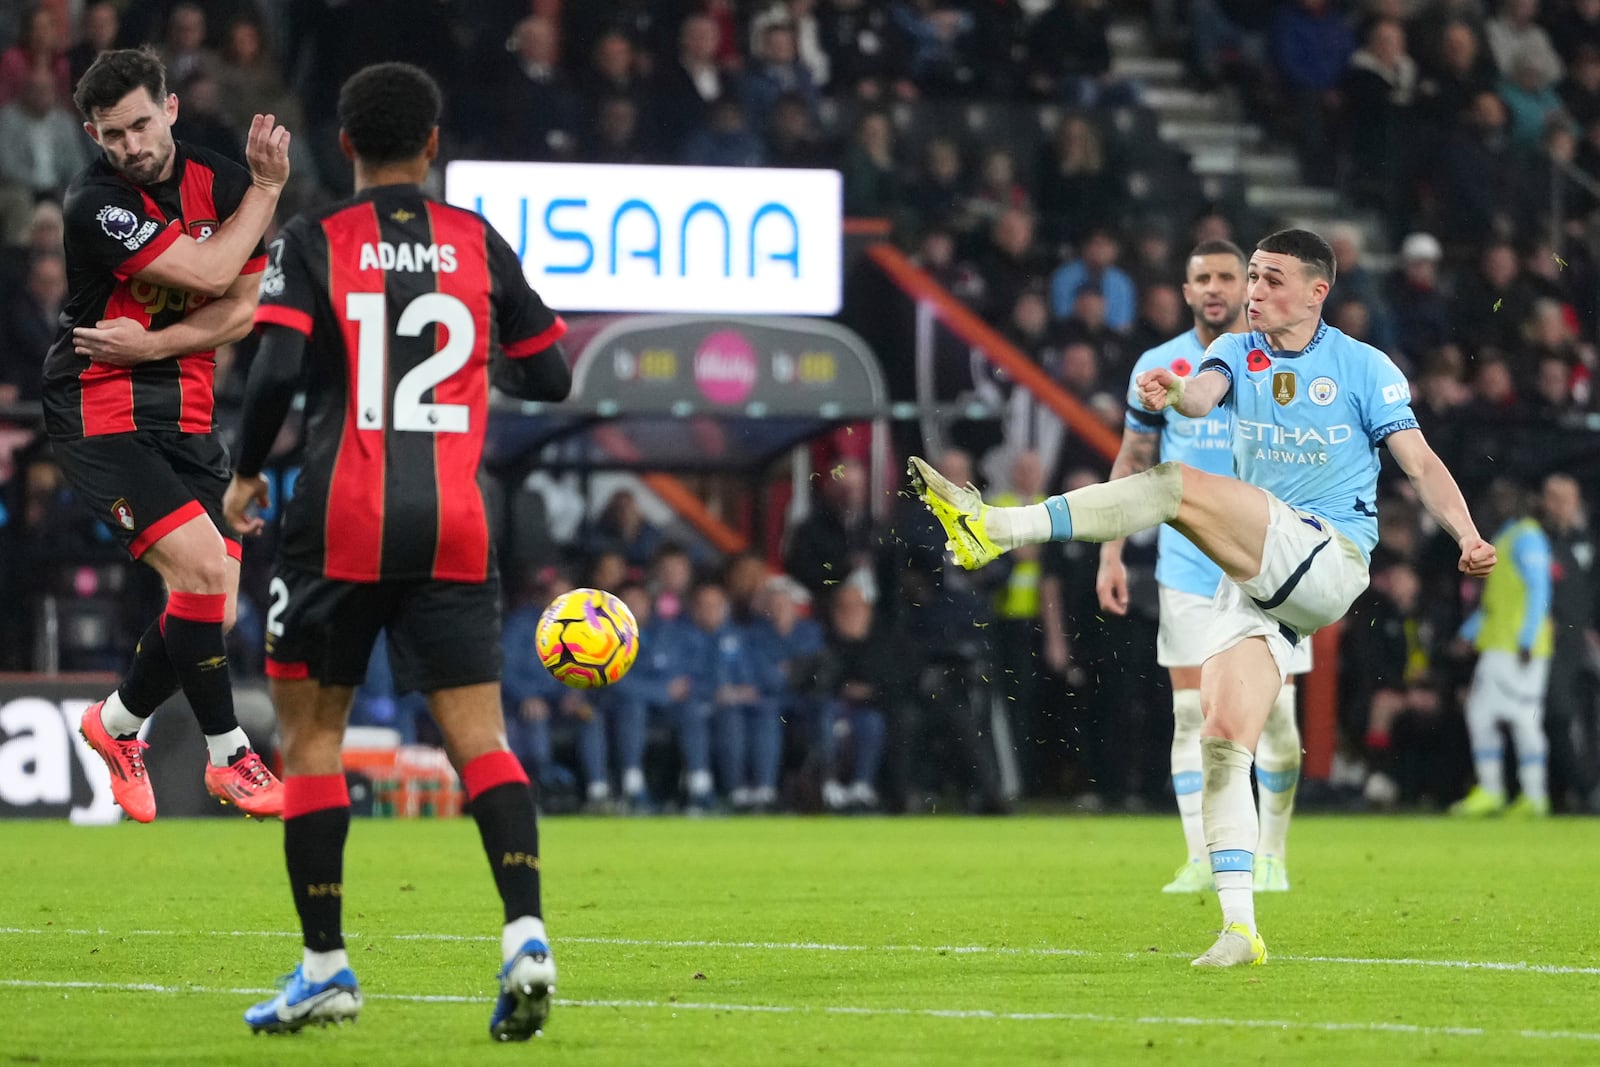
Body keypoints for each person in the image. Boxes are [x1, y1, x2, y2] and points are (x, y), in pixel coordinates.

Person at [910, 228, 1495, 968]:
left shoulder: (1363, 367)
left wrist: (1468, 534)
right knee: (1225, 740)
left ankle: (995, 525)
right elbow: (1199, 398)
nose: (1254, 290)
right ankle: (1240, 927)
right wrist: (1175, 393)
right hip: (1258, 583)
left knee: (1177, 487)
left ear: (1318, 291)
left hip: (1328, 553)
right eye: (1252, 276)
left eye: (1272, 279)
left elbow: (1419, 462)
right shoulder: (1232, 352)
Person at [222, 63, 572, 1038]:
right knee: (480, 740)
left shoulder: (315, 239)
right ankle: (526, 932)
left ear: (345, 145)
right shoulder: (476, 240)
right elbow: (551, 373)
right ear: (433, 143)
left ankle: (326, 964)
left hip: (338, 520)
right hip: (455, 520)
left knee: (313, 741)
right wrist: (468, 351)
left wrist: (246, 473)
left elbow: (277, 368)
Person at [48, 46, 291, 823]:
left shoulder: (219, 179)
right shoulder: (95, 203)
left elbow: (246, 308)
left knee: (210, 608)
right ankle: (231, 756)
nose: (130, 147)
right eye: (111, 135)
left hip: (187, 411)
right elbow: (214, 274)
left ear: (172, 109)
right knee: (202, 570)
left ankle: (117, 722)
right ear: (94, 134)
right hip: (99, 410)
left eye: (141, 126)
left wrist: (155, 344)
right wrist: (269, 190)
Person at [1095, 239, 1310, 895]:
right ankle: (1202, 855)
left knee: (1274, 718)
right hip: (1186, 563)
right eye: (1203, 279)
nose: (1215, 288)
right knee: (1192, 714)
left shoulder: (1283, 359)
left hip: (1268, 563)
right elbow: (1133, 458)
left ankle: (1271, 852)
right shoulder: (1159, 365)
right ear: (1186, 292)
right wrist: (1110, 550)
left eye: (1227, 276)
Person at [1451, 479, 1553, 817]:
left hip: (1519, 647)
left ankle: (1534, 795)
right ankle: (1493, 790)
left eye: (1506, 497)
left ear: (1520, 501)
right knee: (1481, 715)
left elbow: (1540, 589)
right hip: (1498, 644)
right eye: (1495, 498)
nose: (1498, 503)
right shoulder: (1507, 538)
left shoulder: (1528, 535)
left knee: (1523, 718)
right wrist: (1469, 632)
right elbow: (1497, 600)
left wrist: (1526, 638)